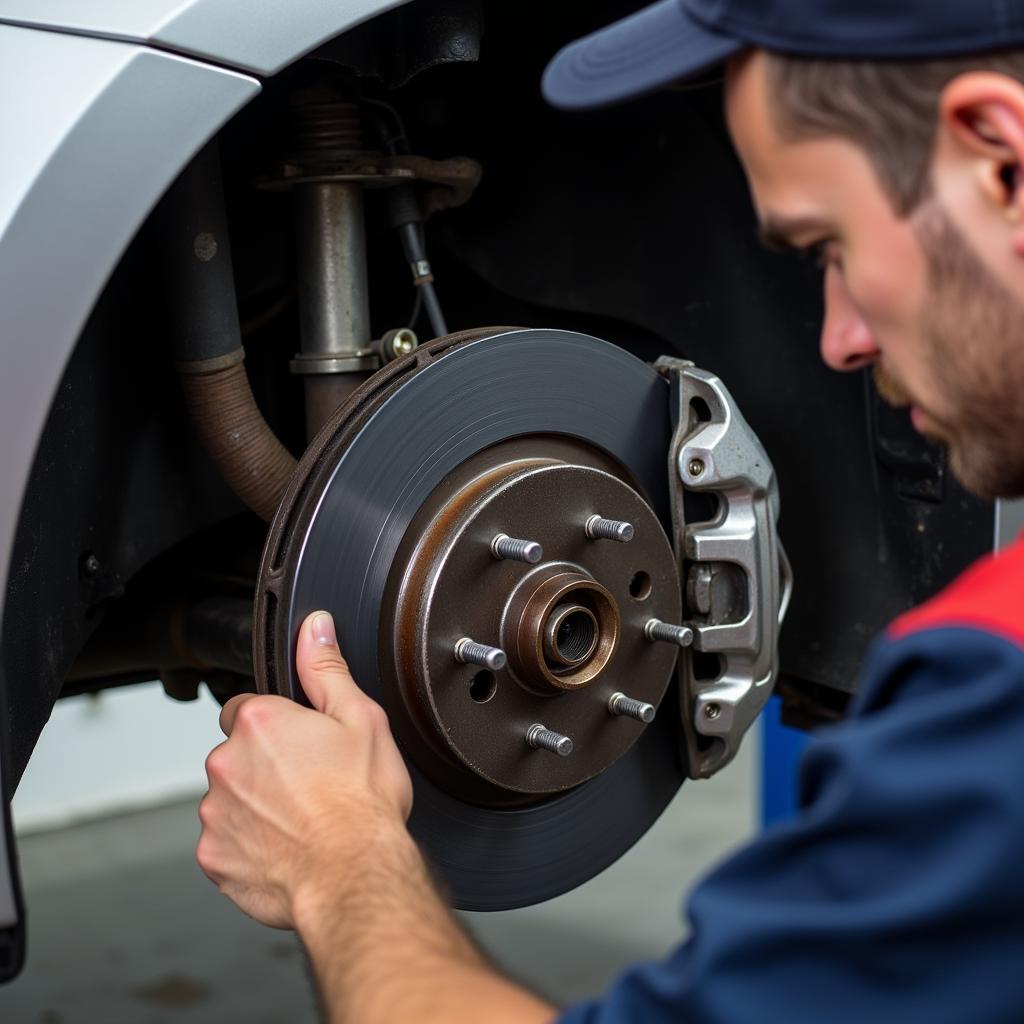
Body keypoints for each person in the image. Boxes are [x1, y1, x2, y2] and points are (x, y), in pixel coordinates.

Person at [196, 1, 1024, 1020]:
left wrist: (336, 857)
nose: (838, 341)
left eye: (828, 248)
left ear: (1000, 161)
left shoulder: (991, 700)